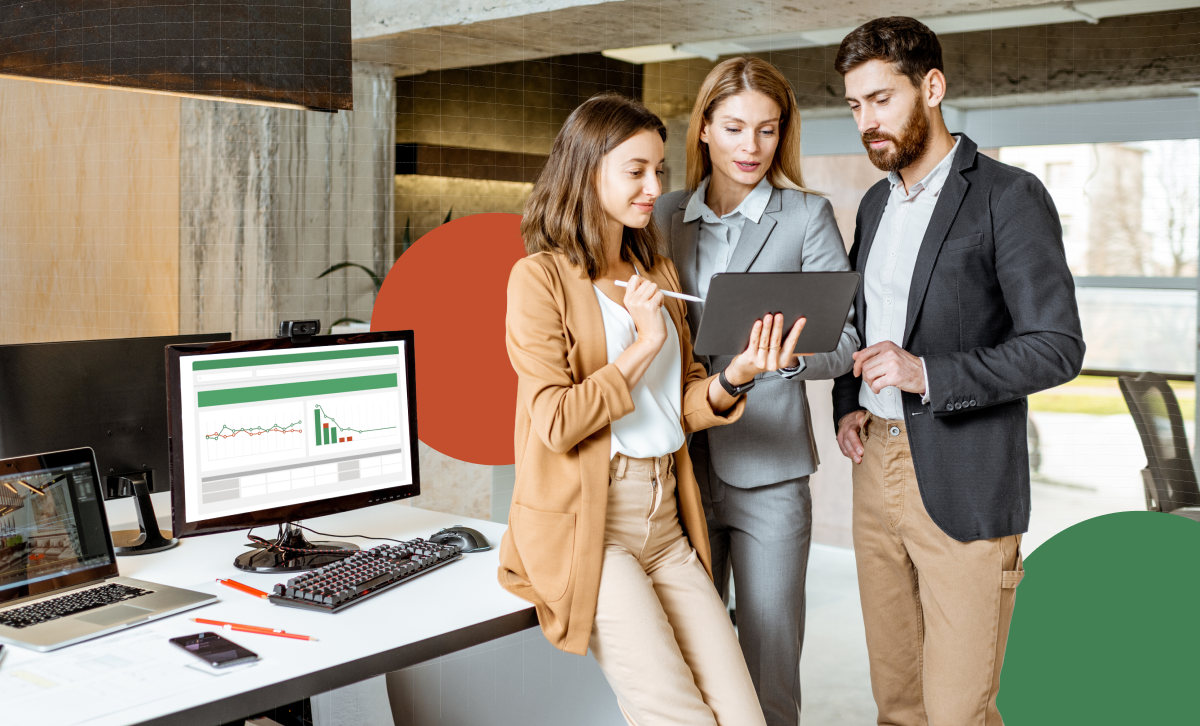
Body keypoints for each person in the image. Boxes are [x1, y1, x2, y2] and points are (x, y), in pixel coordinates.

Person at [499, 92, 807, 726]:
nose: (653, 187)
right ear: (588, 173)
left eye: (658, 170)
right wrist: (643, 345)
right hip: (594, 527)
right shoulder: (540, 279)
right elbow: (556, 420)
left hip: (665, 524)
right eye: (634, 171)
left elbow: (686, 402)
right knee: (677, 715)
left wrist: (738, 375)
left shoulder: (655, 270)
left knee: (746, 717)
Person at [831, 17, 1085, 726]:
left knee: (956, 713)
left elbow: (1058, 345)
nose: (867, 122)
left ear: (932, 87)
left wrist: (928, 374)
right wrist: (848, 399)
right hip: (872, 467)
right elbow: (867, 323)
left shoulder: (1008, 195)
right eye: (854, 106)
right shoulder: (876, 204)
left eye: (881, 99)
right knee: (898, 704)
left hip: (965, 475)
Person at [653, 57, 858, 726]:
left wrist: (786, 357)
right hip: (680, 463)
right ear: (705, 129)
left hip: (769, 473)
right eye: (735, 128)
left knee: (769, 662)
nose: (751, 147)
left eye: (767, 131)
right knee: (689, 660)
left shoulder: (805, 216)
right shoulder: (661, 216)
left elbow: (847, 343)